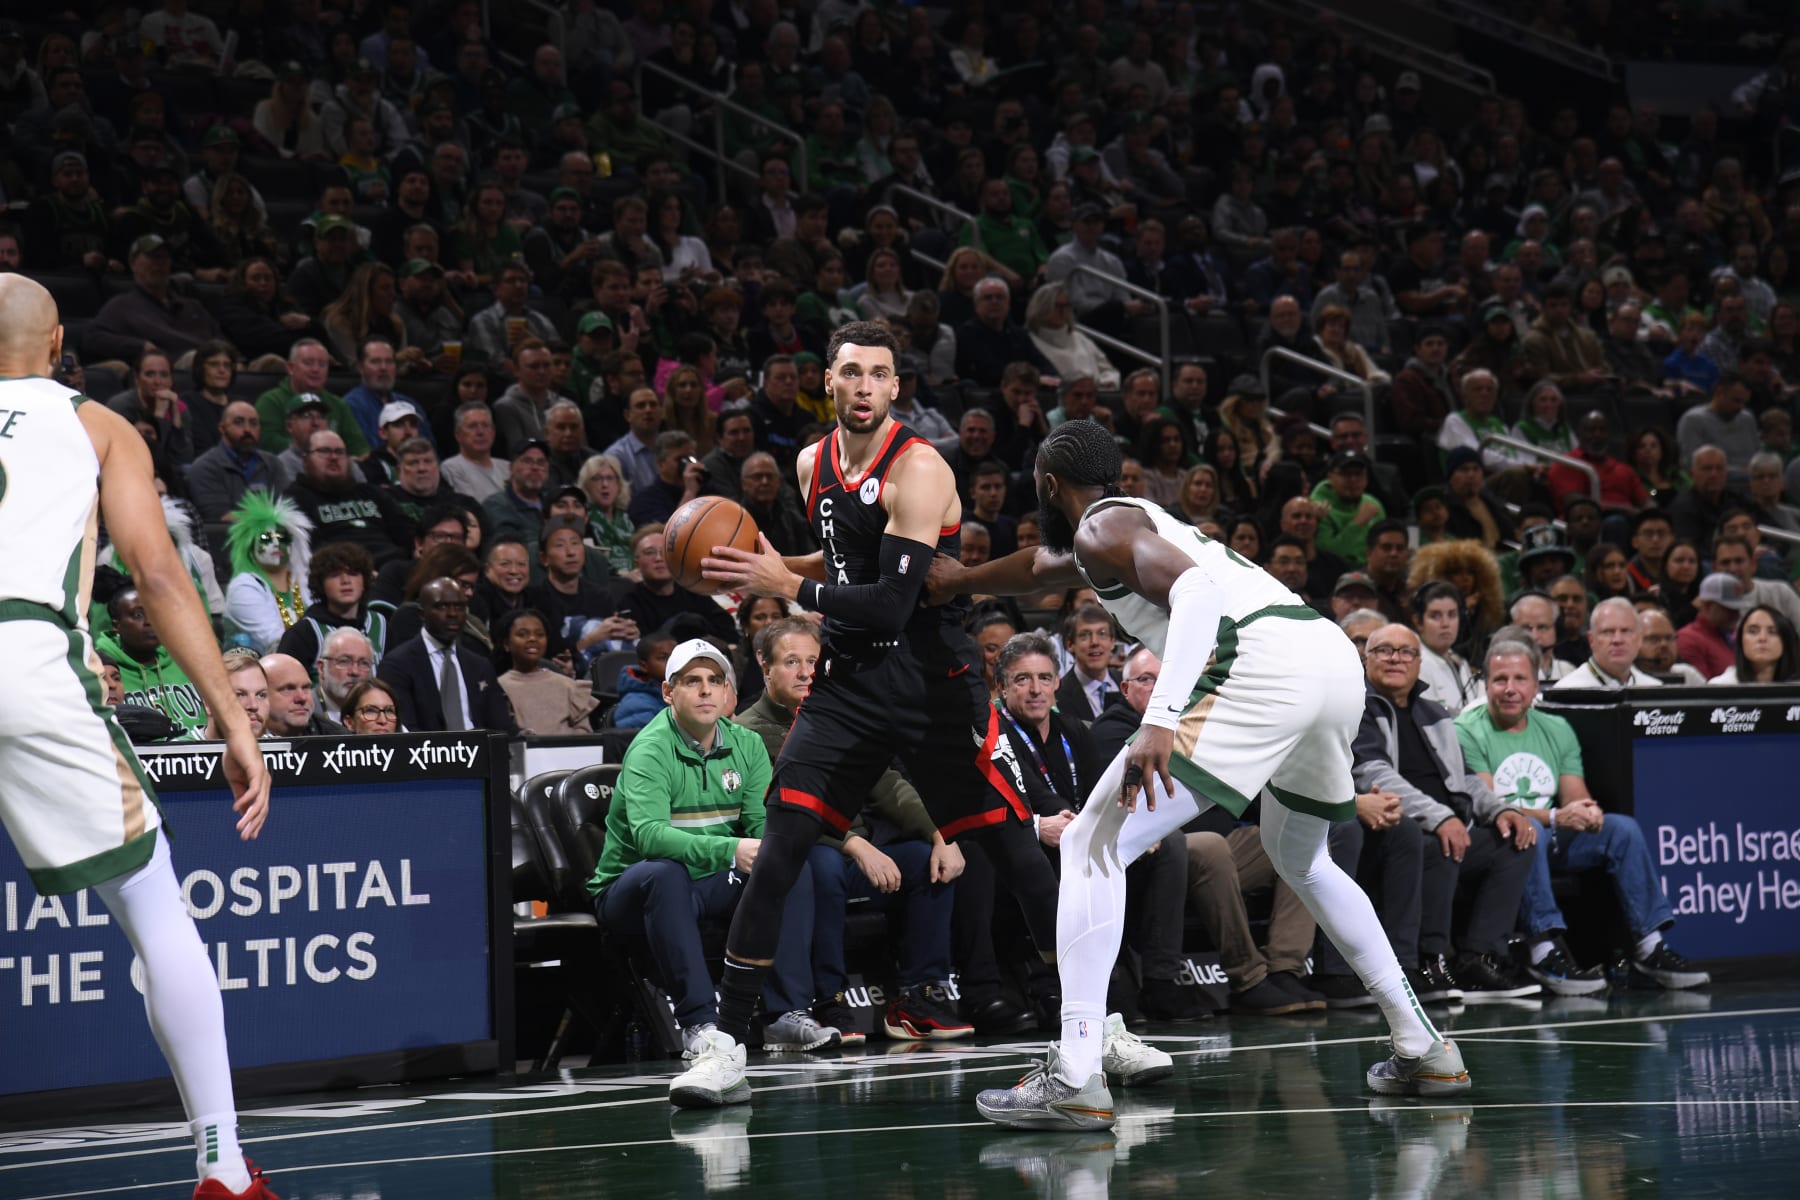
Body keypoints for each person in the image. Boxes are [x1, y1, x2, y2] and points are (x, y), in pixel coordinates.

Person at [940, 419, 1470, 1132]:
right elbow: (1041, 567)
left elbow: (1192, 595)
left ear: (1046, 483)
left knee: (1091, 845)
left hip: (1259, 668)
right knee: (1302, 858)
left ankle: (1073, 1071)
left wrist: (1159, 718)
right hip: (1329, 660)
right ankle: (1423, 1046)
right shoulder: (1127, 528)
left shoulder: (1104, 529)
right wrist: (962, 581)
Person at [689, 322, 1068, 1111]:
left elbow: (894, 600)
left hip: (935, 684)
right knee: (782, 843)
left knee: (1016, 851)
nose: (864, 385)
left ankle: (1095, 1026)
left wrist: (781, 585)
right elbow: (841, 565)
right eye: (851, 372)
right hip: (850, 685)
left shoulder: (921, 467)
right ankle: (725, 1045)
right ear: (827, 381)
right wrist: (753, 567)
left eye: (880, 374)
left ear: (898, 388)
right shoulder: (809, 463)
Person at [0, 275, 276, 1198]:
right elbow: (158, 575)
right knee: (156, 913)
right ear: (61, 344)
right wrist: (234, 718)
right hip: (27, 653)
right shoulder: (98, 427)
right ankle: (224, 1170)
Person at [594, 638, 838, 1101]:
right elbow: (649, 838)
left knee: (789, 865)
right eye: (692, 682)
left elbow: (765, 828)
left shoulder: (745, 745)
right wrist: (730, 851)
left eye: (715, 681)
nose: (705, 691)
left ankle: (786, 1015)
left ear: (728, 692)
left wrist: (762, 851)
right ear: (669, 693)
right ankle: (701, 1026)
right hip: (630, 892)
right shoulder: (649, 749)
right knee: (664, 872)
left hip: (701, 884)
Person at [736, 617, 971, 1041]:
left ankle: (920, 996)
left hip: (859, 850)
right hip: (808, 852)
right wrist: (856, 845)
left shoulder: (837, 715)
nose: (807, 671)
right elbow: (780, 815)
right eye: (792, 661)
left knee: (925, 861)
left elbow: (888, 784)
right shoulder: (748, 731)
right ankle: (831, 999)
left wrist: (940, 833)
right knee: (820, 863)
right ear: (764, 666)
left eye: (814, 660)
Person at [1457, 640, 1710, 991]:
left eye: (1520, 679)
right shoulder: (1467, 729)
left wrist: (1585, 812)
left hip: (1552, 834)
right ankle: (1543, 951)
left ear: (1536, 684)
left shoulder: (1555, 728)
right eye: (1500, 679)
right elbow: (1492, 807)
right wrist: (1557, 817)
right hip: (1501, 841)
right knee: (1526, 827)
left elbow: (1576, 796)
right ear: (1486, 685)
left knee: (1622, 830)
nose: (1510, 689)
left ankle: (1649, 948)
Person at [1351, 625, 1545, 1000]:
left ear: (1419, 662)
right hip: (1394, 829)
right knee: (1432, 840)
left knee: (1516, 841)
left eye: (1406, 652)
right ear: (1367, 659)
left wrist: (1502, 809)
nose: (1396, 659)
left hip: (1449, 823)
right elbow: (1371, 772)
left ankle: (1480, 957)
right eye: (1385, 651)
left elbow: (1465, 778)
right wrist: (1439, 817)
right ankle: (1427, 961)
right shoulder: (1359, 707)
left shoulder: (1434, 712)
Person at [378, 577, 517, 732]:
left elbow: (503, 728)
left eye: (459, 607)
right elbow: (405, 731)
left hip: (481, 751)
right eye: (442, 606)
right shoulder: (397, 665)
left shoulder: (480, 666)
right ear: (422, 614)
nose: (452, 614)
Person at [493, 607, 599, 733]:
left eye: (540, 634)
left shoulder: (567, 685)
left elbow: (585, 732)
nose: (533, 639)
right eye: (522, 634)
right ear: (506, 644)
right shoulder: (500, 687)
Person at [1677, 572, 1752, 680]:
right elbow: (1701, 689)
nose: (1736, 614)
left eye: (1737, 609)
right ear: (1707, 605)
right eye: (1728, 609)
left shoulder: (1735, 636)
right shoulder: (1689, 640)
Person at [1709, 605, 1800, 684]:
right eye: (1753, 631)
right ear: (1741, 640)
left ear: (1785, 641)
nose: (1762, 638)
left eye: (1772, 632)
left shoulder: (1795, 688)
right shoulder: (1720, 686)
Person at [259, 652, 345, 736]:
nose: (302, 698)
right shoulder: (247, 738)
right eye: (288, 689)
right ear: (260, 696)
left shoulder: (338, 739)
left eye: (306, 688)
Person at [1637, 607, 1707, 685]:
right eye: (1654, 639)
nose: (1664, 644)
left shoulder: (1686, 674)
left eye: (1669, 638)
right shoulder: (1626, 677)